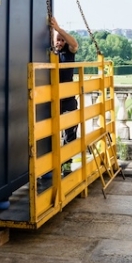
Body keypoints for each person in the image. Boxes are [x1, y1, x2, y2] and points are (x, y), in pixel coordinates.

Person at [51, 16, 79, 176]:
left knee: (70, 133)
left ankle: (67, 164)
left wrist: (58, 29)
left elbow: (74, 44)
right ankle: (54, 165)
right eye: (58, 40)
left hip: (68, 100)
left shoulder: (68, 53)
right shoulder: (51, 54)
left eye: (62, 40)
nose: (60, 43)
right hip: (53, 99)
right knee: (52, 133)